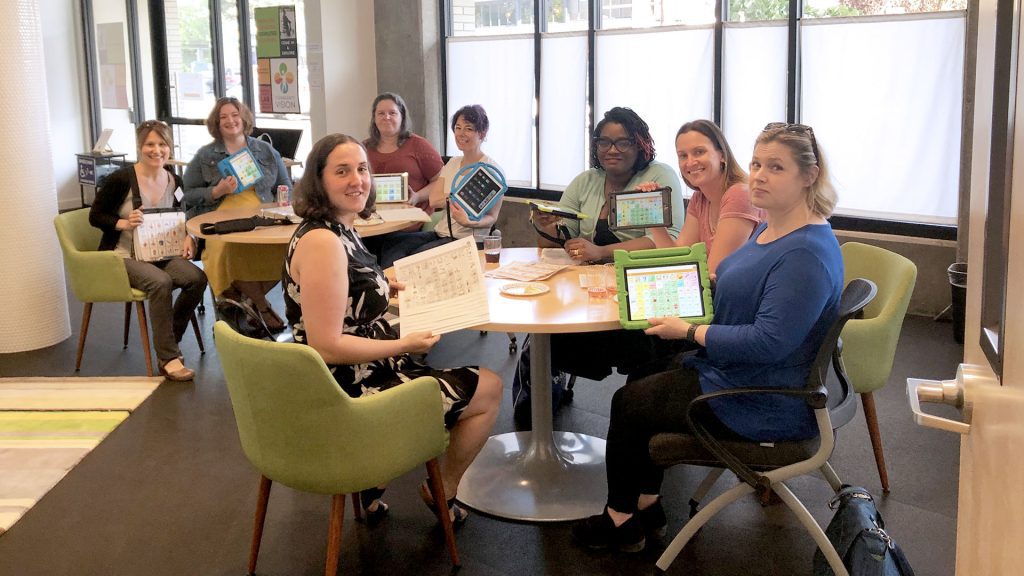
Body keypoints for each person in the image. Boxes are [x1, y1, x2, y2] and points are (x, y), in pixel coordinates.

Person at [571, 122, 844, 553]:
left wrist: (691, 330)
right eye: (756, 163)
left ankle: (621, 521)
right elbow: (728, 282)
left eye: (775, 167)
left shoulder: (805, 254)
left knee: (629, 401)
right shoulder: (774, 228)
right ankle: (646, 504)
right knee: (642, 376)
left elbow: (769, 341)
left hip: (760, 398)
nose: (758, 175)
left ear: (809, 176)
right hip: (737, 371)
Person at [282, 133, 502, 526]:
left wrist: (382, 283)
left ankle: (372, 485)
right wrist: (403, 343)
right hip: (349, 392)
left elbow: (343, 288)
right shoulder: (323, 243)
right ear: (319, 180)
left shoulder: (336, 229)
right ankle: (441, 489)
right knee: (489, 387)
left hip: (348, 378)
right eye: (342, 171)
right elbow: (327, 345)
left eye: (362, 169)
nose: (358, 180)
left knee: (440, 360)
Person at [530, 107, 685, 382]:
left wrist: (600, 252)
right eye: (604, 142)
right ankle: (542, 397)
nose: (612, 149)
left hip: (639, 289)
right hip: (589, 288)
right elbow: (557, 240)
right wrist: (546, 224)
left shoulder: (658, 177)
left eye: (622, 141)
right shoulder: (586, 180)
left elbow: (669, 241)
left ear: (640, 145)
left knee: (644, 363)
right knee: (543, 331)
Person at [89, 120, 208, 382]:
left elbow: (181, 214)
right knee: (160, 282)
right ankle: (168, 358)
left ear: (170, 147)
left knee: (197, 278)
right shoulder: (120, 179)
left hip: (160, 252)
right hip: (121, 255)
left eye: (162, 144)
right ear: (140, 147)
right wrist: (123, 222)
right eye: (150, 144)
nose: (157, 150)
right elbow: (95, 216)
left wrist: (189, 236)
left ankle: (170, 341)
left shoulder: (174, 179)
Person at [182, 97, 292, 331]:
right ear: (216, 123)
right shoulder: (206, 155)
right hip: (220, 217)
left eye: (235, 114)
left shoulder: (265, 150)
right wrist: (216, 190)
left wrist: (283, 204)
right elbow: (188, 194)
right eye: (223, 117)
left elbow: (285, 185)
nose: (231, 120)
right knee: (227, 251)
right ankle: (261, 306)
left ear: (244, 118)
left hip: (261, 214)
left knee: (286, 252)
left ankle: (243, 297)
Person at [377, 104, 504, 268]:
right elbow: (433, 200)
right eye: (458, 128)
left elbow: (492, 217)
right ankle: (392, 289)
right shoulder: (453, 162)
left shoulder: (491, 171)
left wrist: (470, 222)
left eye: (469, 129)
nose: (461, 134)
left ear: (482, 132)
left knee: (414, 260)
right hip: (441, 233)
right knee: (392, 244)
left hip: (467, 240)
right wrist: (459, 196)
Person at [648, 119, 763, 275]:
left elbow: (714, 274)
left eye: (699, 152)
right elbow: (676, 260)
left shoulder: (739, 195)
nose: (690, 162)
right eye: (683, 155)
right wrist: (654, 217)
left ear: (722, 155)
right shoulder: (699, 198)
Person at [364, 92, 444, 231]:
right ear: (374, 118)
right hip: (371, 224)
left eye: (392, 113)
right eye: (381, 113)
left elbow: (442, 181)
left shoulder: (419, 145)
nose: (386, 117)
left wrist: (417, 197)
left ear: (402, 117)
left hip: (410, 226)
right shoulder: (362, 149)